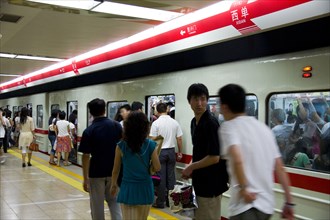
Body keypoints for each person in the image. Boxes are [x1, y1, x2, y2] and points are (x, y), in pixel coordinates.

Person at [218, 84, 294, 220]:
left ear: (224, 106)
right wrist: (289, 202)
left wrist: (244, 188)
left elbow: (237, 158)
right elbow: (280, 168)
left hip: (245, 206)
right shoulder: (264, 129)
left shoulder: (228, 127)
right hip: (267, 206)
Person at [182, 83, 229, 220]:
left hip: (211, 185)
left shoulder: (210, 123)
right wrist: (190, 168)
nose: (199, 103)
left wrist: (191, 167)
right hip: (200, 183)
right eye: (195, 99)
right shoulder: (194, 122)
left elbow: (214, 157)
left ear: (207, 100)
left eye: (203, 99)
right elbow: (199, 151)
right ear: (189, 101)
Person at [110, 111, 161, 220]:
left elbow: (116, 170)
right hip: (145, 188)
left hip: (128, 188)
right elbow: (157, 167)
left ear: (127, 127)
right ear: (145, 127)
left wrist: (113, 184)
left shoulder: (121, 146)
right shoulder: (151, 145)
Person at [79, 98, 123, 220]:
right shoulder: (116, 126)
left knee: (97, 205)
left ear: (91, 112)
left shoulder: (89, 131)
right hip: (115, 171)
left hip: (96, 172)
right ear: (104, 109)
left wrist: (85, 178)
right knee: (115, 202)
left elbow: (86, 156)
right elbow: (123, 147)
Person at [149, 102, 183, 208]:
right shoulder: (175, 122)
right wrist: (180, 152)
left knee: (161, 178)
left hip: (160, 152)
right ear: (167, 110)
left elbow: (152, 139)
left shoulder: (156, 123)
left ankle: (160, 203)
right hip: (171, 151)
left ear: (157, 111)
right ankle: (171, 202)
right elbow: (179, 138)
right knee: (171, 177)